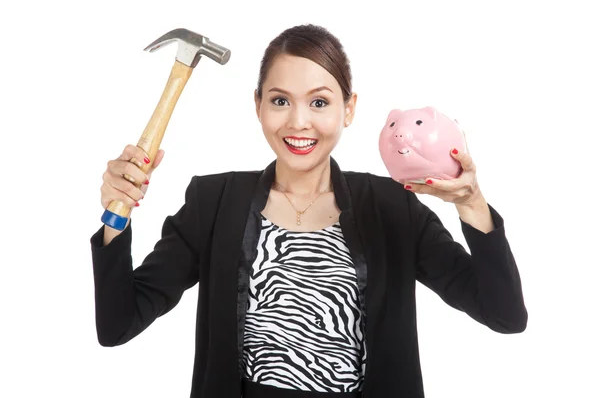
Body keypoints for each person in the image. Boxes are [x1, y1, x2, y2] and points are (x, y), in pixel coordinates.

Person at [90, 24, 527, 398]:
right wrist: (118, 216)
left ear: (348, 108)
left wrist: (471, 203)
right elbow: (117, 324)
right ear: (257, 105)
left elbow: (504, 314)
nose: (299, 122)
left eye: (319, 102)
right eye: (280, 101)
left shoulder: (393, 206)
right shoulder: (214, 201)